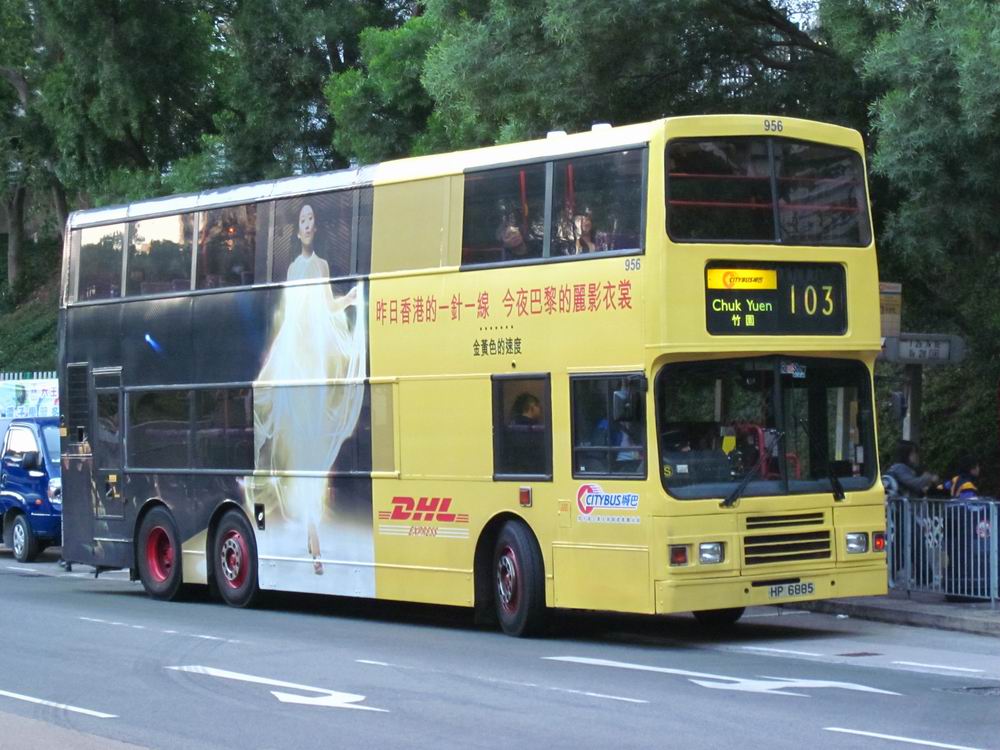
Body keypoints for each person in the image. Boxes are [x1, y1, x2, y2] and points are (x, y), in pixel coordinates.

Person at [251, 202, 367, 575]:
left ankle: (313, 535)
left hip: (312, 364)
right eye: (301, 219)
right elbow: (292, 317)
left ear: (315, 228)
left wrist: (349, 300)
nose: (306, 224)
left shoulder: (321, 266)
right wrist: (277, 358)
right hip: (295, 360)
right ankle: (310, 536)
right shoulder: (292, 270)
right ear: (297, 228)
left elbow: (326, 306)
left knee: (312, 451)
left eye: (311, 219)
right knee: (297, 446)